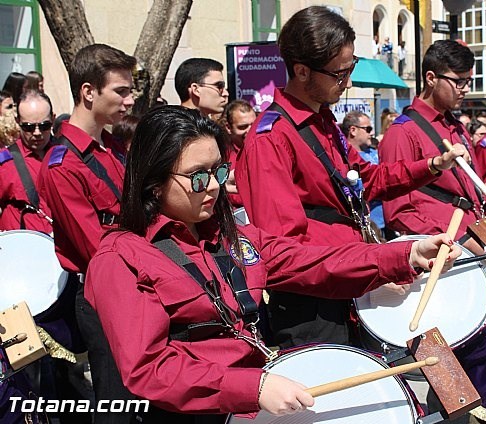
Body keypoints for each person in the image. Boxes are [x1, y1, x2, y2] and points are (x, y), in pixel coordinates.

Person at [84, 105, 461, 421]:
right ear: (153, 183)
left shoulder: (230, 237)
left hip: (255, 396)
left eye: (218, 171)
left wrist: (406, 254)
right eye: (197, 178)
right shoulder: (121, 259)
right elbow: (149, 369)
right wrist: (253, 387)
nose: (214, 187)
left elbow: (314, 261)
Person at [236, 6, 468, 349]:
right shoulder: (271, 138)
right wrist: (388, 261)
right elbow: (283, 256)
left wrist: (432, 164)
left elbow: (366, 180)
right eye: (339, 73)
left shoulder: (324, 121)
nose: (348, 81)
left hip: (351, 281)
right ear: (301, 71)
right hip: (312, 309)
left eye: (351, 67)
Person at [379, 39, 486, 424]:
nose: (466, 89)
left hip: (477, 249)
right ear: (431, 78)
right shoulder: (403, 133)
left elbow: (470, 191)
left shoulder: (456, 127)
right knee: (454, 382)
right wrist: (455, 240)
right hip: (444, 265)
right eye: (460, 81)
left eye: (470, 81)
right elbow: (398, 213)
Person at [37, 43, 137, 424]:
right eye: (121, 91)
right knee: (118, 403)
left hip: (135, 280)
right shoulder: (61, 165)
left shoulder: (111, 147)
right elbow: (97, 249)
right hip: (104, 289)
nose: (129, 101)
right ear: (89, 92)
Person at [0, 90, 54, 233]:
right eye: (28, 127)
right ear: (18, 122)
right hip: (21, 249)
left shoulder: (67, 155)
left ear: (53, 119)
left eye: (44, 126)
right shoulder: (5, 162)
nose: (37, 133)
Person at [342, 111, 385, 237]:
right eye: (368, 129)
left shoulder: (374, 152)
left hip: (385, 223)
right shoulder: (345, 160)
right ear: (353, 130)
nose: (371, 133)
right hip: (368, 226)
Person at [223, 99, 256, 207]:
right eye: (243, 127)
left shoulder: (267, 149)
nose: (250, 131)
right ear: (228, 128)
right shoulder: (220, 154)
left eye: (253, 125)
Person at [174, 58, 229, 122]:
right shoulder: (176, 128)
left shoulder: (206, 126)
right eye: (219, 86)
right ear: (196, 89)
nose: (226, 93)